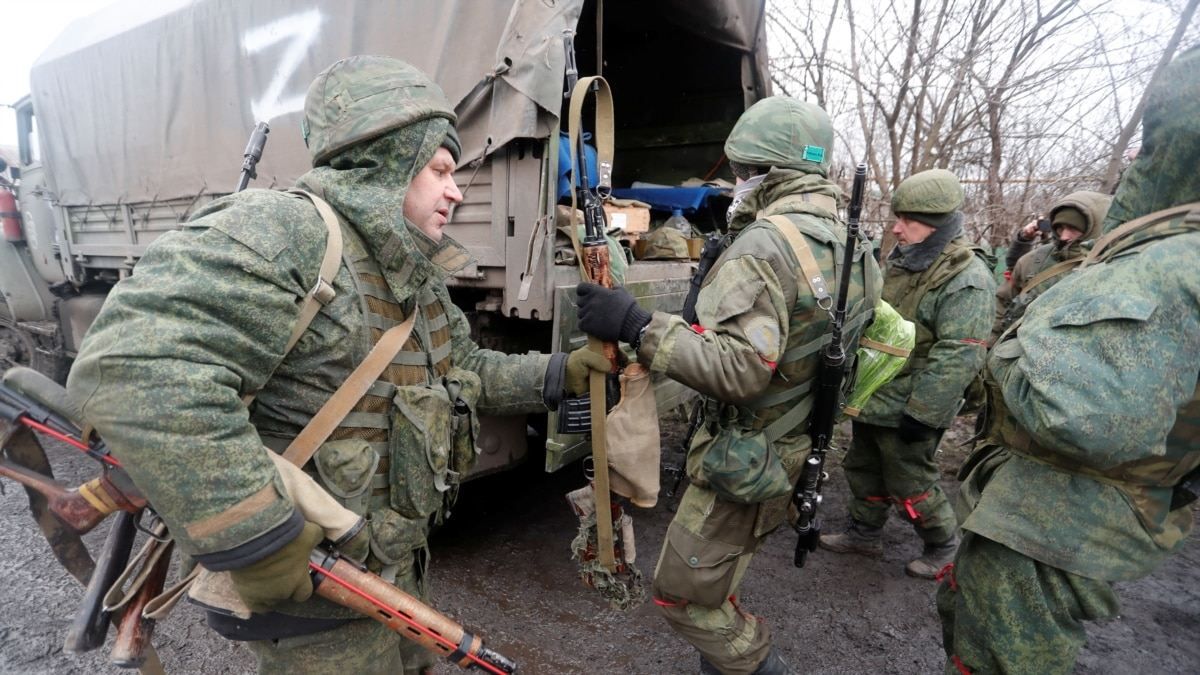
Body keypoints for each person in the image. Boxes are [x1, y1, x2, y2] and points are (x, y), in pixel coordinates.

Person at [66, 56, 602, 674]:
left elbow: (464, 370)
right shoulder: (286, 231)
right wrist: (257, 537)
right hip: (316, 596)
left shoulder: (410, 271)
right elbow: (134, 371)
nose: (457, 190)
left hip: (391, 575)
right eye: (440, 169)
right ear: (388, 162)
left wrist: (561, 375)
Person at [575, 96, 882, 675]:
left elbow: (741, 369)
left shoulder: (768, 244)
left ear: (768, 173)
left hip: (749, 452)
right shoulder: (853, 243)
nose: (735, 181)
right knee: (715, 579)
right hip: (794, 446)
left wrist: (636, 325)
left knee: (685, 596)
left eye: (743, 170)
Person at [937, 44, 1200, 675]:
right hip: (1046, 505)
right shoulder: (1091, 262)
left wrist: (1007, 348)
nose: (1063, 237)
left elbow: (1087, 415)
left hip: (1058, 523)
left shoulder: (1162, 269)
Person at [819, 169, 994, 579]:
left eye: (907, 221)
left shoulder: (966, 278)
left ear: (937, 226)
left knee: (910, 478)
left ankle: (943, 544)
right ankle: (864, 533)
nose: (895, 229)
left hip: (912, 402)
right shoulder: (905, 262)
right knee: (862, 465)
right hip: (876, 391)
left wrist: (924, 413)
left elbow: (959, 354)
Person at [990, 190, 1111, 342]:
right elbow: (1003, 301)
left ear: (1094, 230)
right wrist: (989, 344)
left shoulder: (1109, 268)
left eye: (1073, 229)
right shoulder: (1035, 259)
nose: (1064, 236)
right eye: (1060, 227)